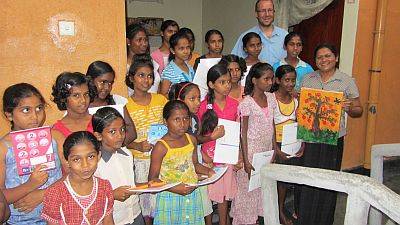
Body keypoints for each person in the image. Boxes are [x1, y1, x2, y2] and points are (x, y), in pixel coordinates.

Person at [297, 43, 363, 225]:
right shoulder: (308, 79)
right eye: (319, 57)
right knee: (308, 178)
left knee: (330, 179)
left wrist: (349, 107)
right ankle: (306, 218)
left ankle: (325, 220)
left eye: (327, 56)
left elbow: (359, 109)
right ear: (315, 60)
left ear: (336, 58)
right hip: (310, 138)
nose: (323, 60)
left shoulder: (346, 80)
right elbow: (301, 106)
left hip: (334, 140)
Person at [0, 83, 62, 225]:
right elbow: (1, 196)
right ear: (9, 114)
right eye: (26, 110)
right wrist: (30, 185)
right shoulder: (3, 148)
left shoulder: (55, 137)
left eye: (39, 108)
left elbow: (73, 175)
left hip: (57, 217)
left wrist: (44, 193)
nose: (35, 116)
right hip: (19, 222)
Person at [148, 100, 214, 225]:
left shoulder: (191, 140)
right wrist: (175, 188)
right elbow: (152, 181)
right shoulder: (161, 147)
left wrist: (209, 171)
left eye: (186, 119)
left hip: (192, 195)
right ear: (165, 121)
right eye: (176, 119)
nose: (182, 124)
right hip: (169, 197)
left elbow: (194, 165)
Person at [230, 63, 276, 225]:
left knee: (261, 188)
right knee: (247, 191)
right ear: (255, 80)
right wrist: (246, 161)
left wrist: (274, 148)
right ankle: (244, 221)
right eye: (266, 79)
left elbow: (272, 124)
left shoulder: (271, 98)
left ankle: (256, 219)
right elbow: (242, 133)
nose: (270, 82)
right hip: (250, 153)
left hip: (265, 151)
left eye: (272, 78)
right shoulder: (247, 103)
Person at [125, 57, 168, 225]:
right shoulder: (125, 104)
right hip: (139, 162)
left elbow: (171, 126)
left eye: (150, 76)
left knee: (162, 203)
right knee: (145, 207)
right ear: (131, 78)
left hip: (162, 159)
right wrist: (137, 145)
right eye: (141, 75)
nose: (146, 80)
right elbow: (120, 139)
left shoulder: (161, 100)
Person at [197, 64, 241, 225]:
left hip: (227, 157)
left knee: (225, 196)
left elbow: (238, 133)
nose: (227, 85)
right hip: (209, 158)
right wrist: (202, 155)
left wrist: (238, 157)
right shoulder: (203, 106)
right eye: (222, 82)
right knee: (208, 197)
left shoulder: (235, 104)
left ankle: (224, 221)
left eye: (228, 82)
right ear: (211, 85)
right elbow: (198, 136)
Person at [41, 131, 114, 225]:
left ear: (99, 156)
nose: (85, 165)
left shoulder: (105, 186)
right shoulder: (55, 193)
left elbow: (108, 221)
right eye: (76, 159)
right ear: (66, 160)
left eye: (91, 156)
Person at [168, 82, 215, 225]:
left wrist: (203, 154)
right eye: (192, 99)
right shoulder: (177, 125)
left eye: (199, 98)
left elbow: (196, 139)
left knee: (204, 201)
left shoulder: (194, 118)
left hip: (197, 159)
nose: (197, 102)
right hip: (184, 164)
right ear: (181, 101)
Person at [93, 107, 144, 225]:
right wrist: (112, 195)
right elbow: (90, 195)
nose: (120, 135)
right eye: (112, 132)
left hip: (136, 214)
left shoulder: (127, 154)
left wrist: (149, 186)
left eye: (122, 129)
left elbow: (131, 184)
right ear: (99, 136)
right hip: (115, 219)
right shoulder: (95, 163)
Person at [273, 65, 305, 225]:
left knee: (287, 181)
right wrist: (276, 149)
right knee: (278, 181)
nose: (290, 84)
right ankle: (278, 211)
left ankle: (284, 208)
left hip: (293, 144)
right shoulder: (271, 99)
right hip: (276, 144)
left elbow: (301, 124)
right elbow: (269, 126)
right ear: (278, 80)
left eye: (293, 80)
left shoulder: (296, 101)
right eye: (286, 80)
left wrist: (302, 145)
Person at [51, 72, 97, 172]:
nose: (83, 100)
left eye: (86, 94)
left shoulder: (98, 121)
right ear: (64, 98)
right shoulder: (56, 131)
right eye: (76, 95)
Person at [86, 60, 137, 146]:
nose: (107, 87)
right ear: (91, 80)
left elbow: (131, 132)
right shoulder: (83, 106)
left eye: (110, 83)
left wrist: (114, 146)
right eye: (103, 82)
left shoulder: (117, 101)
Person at [231, 0, 287, 66]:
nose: (267, 14)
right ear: (256, 14)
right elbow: (233, 63)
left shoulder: (284, 35)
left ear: (274, 12)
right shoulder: (245, 36)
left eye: (270, 10)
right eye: (263, 11)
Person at [127, 23, 161, 94]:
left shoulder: (152, 63)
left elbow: (158, 87)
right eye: (139, 40)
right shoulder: (125, 66)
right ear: (128, 41)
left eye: (145, 40)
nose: (144, 44)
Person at [159, 31, 195, 96]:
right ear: (172, 50)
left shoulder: (190, 67)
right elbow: (163, 95)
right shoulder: (169, 71)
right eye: (181, 48)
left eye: (188, 47)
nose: (186, 51)